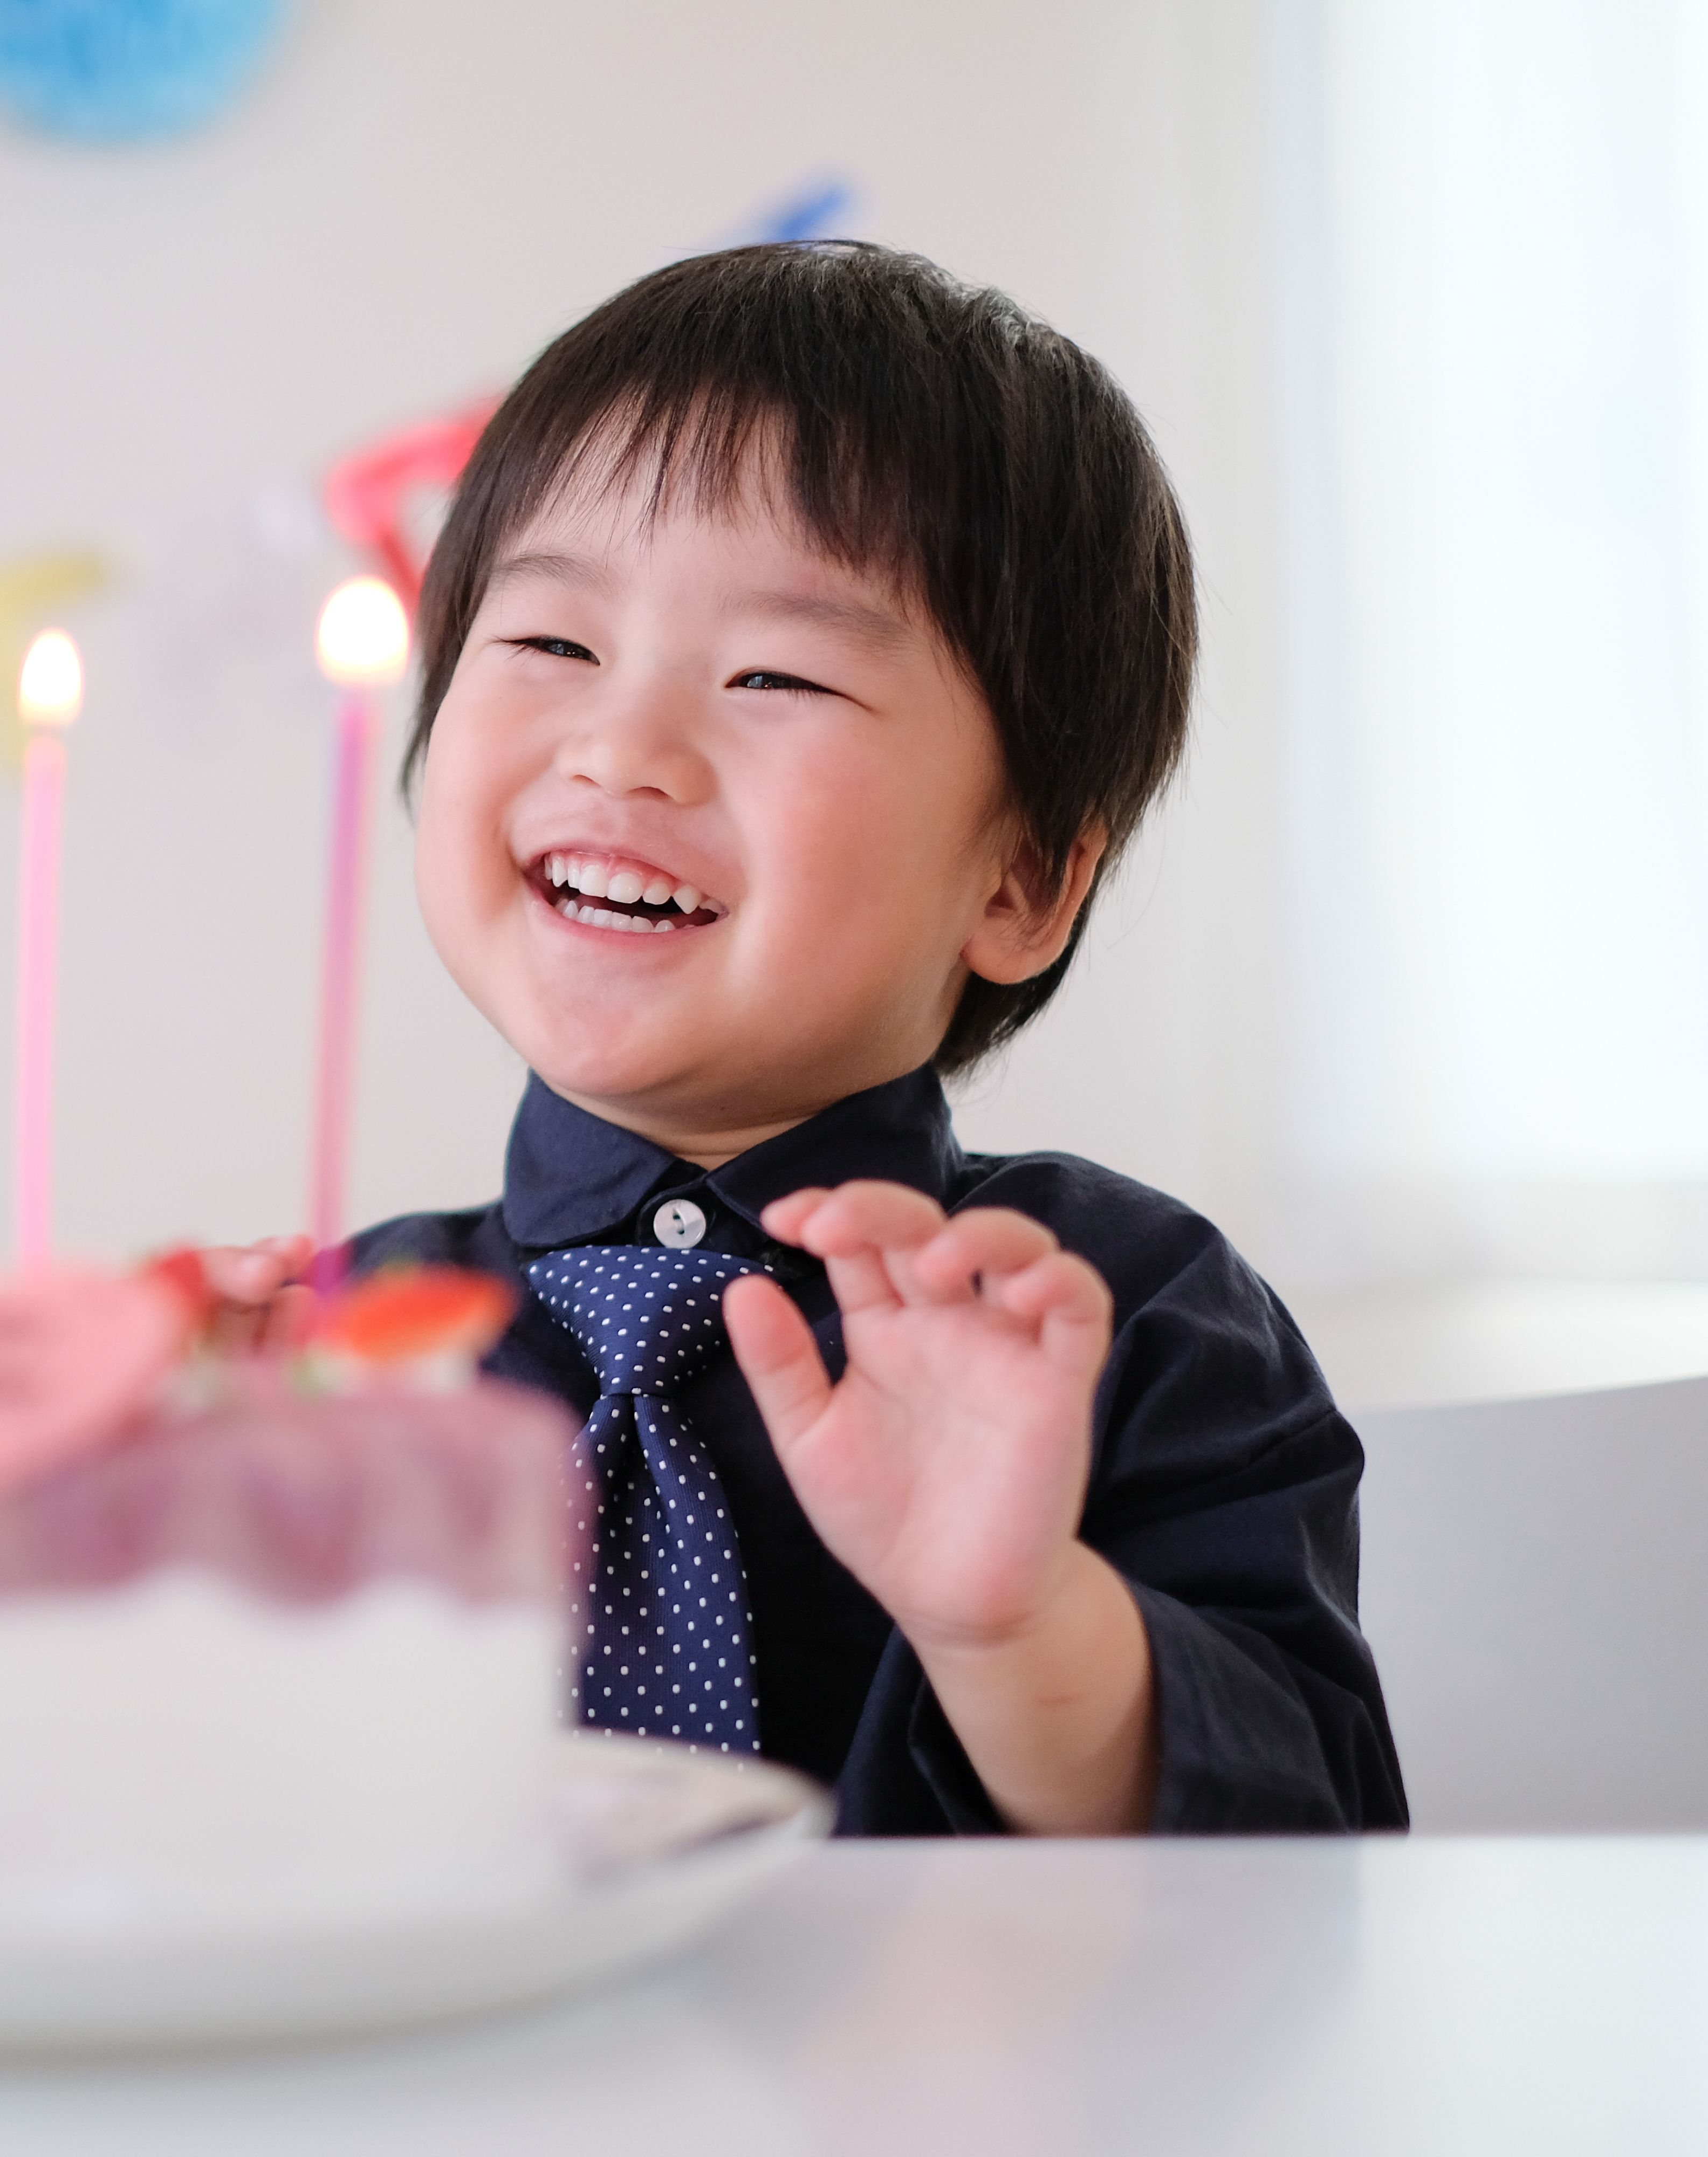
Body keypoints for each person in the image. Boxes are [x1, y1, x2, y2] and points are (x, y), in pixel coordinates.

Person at [227, 242, 1401, 1835]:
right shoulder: (327, 1352)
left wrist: (1014, 1621)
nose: (620, 748)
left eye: (772, 671)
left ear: (1018, 880)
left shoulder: (1114, 1318)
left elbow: (1308, 1854)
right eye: (550, 645)